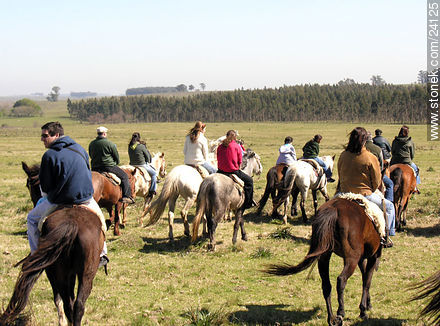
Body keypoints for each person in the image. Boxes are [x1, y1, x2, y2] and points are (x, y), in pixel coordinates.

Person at [27, 122, 109, 266]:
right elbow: (87, 171)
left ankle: (35, 255)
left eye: (45, 136)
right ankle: (102, 254)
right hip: (85, 199)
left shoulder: (49, 155)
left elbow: (45, 187)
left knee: (32, 219)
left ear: (56, 135)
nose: (42, 139)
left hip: (59, 201)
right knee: (101, 222)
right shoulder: (80, 149)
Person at [337, 127, 395, 247]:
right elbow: (377, 180)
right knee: (389, 207)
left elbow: (339, 174)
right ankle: (386, 236)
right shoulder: (370, 157)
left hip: (343, 194)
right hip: (365, 195)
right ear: (364, 140)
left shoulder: (343, 155)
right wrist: (371, 190)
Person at [89, 126, 134, 204]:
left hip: (95, 167)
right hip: (108, 166)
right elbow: (116, 156)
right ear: (104, 134)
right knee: (124, 176)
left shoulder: (92, 143)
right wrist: (116, 162)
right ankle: (127, 196)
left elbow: (90, 154)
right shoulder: (110, 143)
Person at [217, 130, 254, 210]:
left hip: (220, 171)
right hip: (233, 171)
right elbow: (240, 160)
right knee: (249, 181)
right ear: (235, 137)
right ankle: (248, 203)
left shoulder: (220, 146)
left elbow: (218, 158)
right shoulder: (236, 146)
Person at [366, 131, 394, 202]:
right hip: (376, 174)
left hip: (362, 175)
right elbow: (381, 166)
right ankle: (389, 201)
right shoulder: (378, 149)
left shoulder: (360, 148)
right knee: (390, 184)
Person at [128, 132, 157, 196]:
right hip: (141, 165)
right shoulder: (141, 146)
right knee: (154, 174)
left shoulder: (130, 146)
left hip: (131, 165)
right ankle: (152, 190)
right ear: (139, 138)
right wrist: (147, 161)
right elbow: (147, 156)